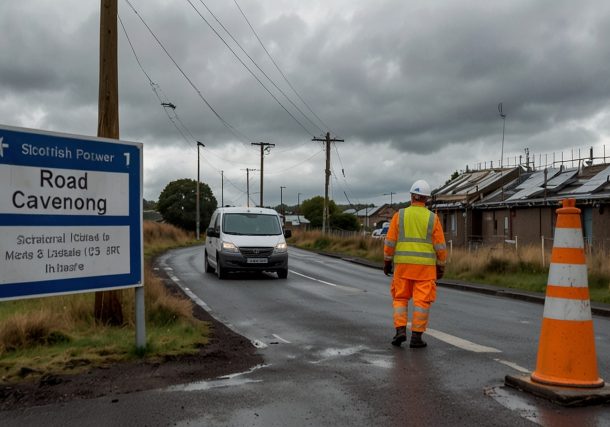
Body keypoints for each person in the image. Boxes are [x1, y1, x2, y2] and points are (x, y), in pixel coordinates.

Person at [383, 179, 447, 348]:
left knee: (400, 299)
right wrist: (441, 266)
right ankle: (416, 338)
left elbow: (389, 242)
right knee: (421, 303)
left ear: (411, 196)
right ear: (426, 199)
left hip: (403, 267)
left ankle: (400, 331)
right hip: (425, 271)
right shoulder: (433, 219)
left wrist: (387, 261)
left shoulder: (400, 215)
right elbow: (440, 246)